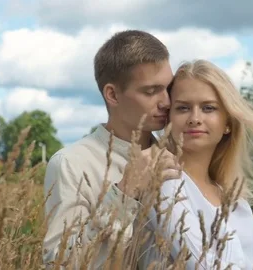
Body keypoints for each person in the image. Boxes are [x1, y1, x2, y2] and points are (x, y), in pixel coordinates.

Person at [137, 60, 253, 269]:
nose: (195, 118)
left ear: (227, 123)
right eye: (183, 108)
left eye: (208, 108)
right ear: (169, 120)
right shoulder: (165, 183)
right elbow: (203, 266)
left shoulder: (235, 201)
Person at [42, 30, 181, 269]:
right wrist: (124, 194)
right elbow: (60, 263)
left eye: (168, 89)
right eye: (150, 91)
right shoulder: (70, 164)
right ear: (112, 94)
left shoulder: (179, 156)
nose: (166, 102)